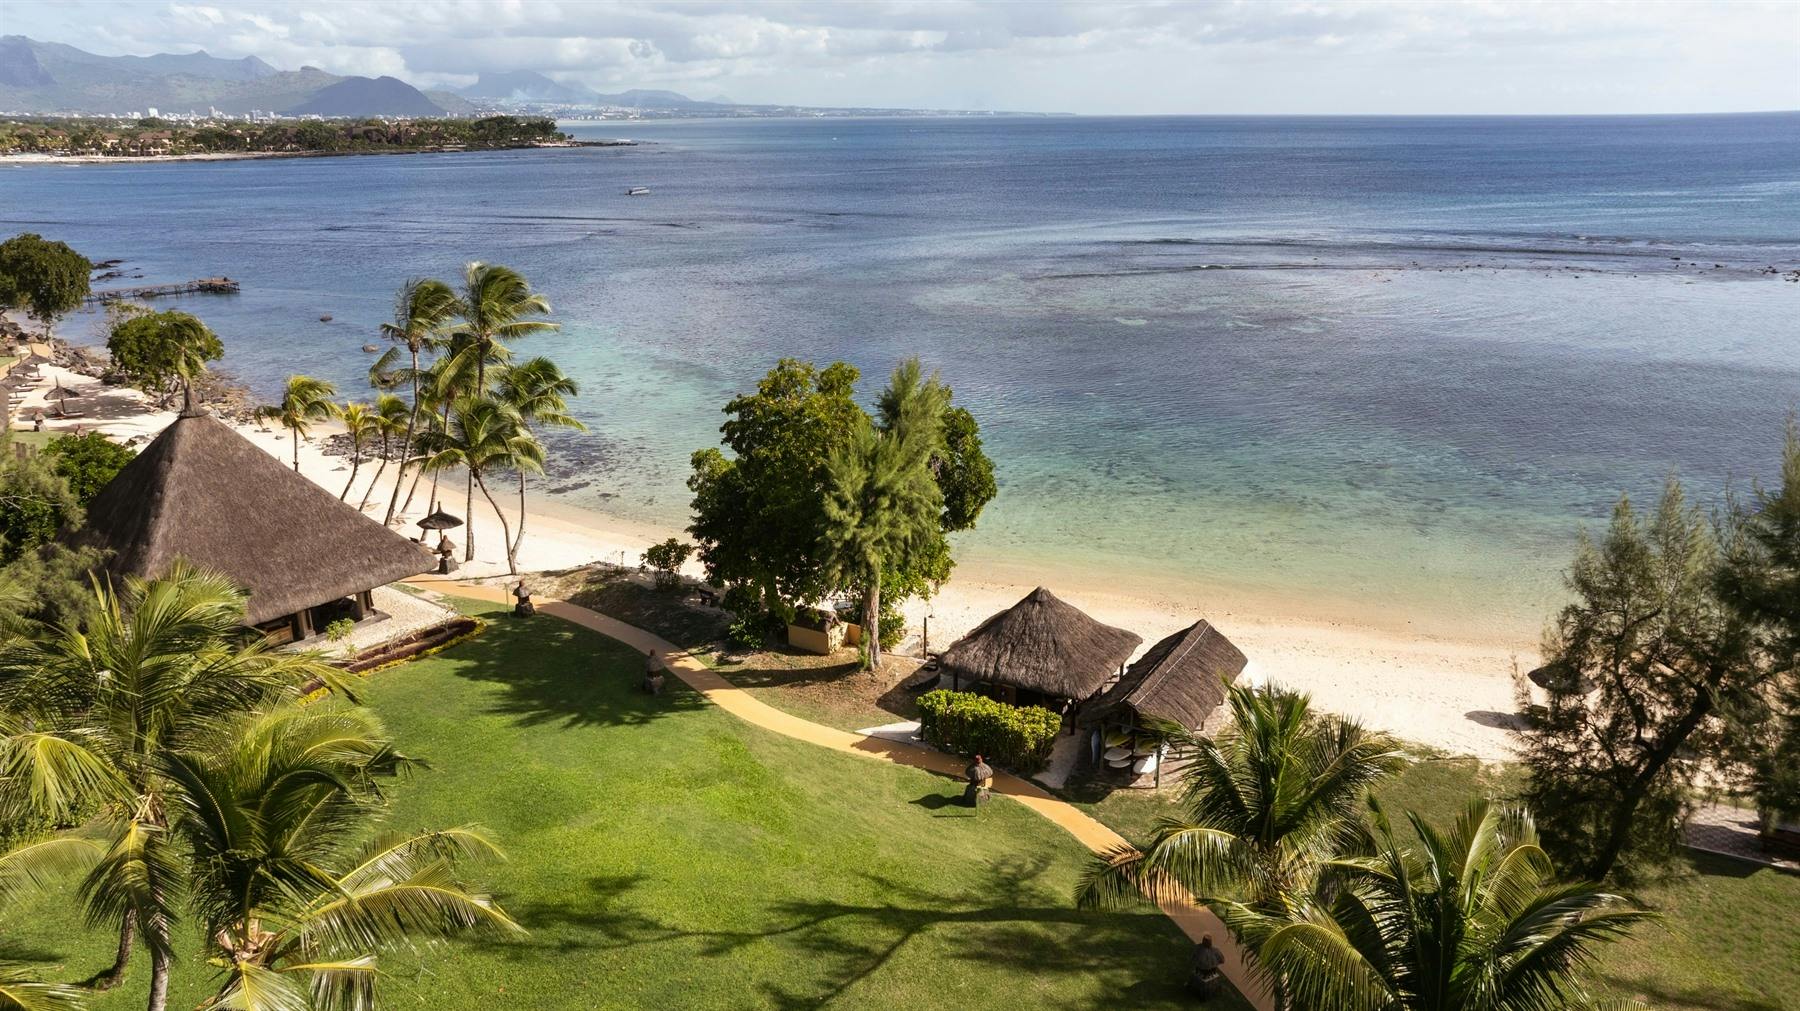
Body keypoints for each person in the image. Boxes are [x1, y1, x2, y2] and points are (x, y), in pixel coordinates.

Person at [1188, 935, 1226, 999]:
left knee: (1202, 971)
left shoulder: (1198, 949)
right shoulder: (1216, 951)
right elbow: (1222, 960)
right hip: (1209, 971)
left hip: (1202, 971)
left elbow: (1192, 958)